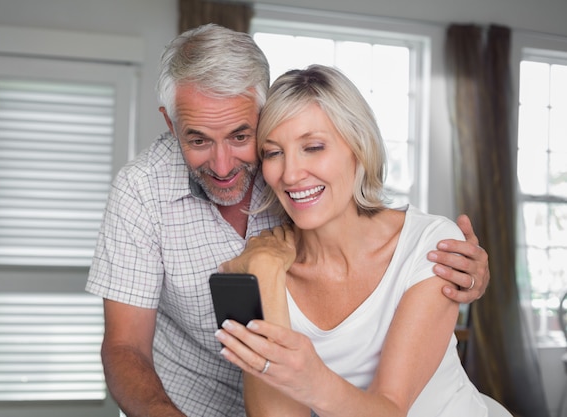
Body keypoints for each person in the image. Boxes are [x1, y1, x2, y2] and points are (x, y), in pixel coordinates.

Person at [86, 24, 490, 417]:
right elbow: (125, 347)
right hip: (189, 404)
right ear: (171, 124)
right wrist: (261, 274)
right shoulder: (142, 192)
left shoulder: (301, 185)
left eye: (242, 137)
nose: (223, 165)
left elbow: (379, 232)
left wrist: (466, 272)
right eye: (198, 139)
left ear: (263, 115)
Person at [215, 64, 503, 417]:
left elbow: (391, 409)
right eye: (273, 153)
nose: (290, 174)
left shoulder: (431, 245)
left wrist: (313, 380)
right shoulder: (260, 260)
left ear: (358, 147)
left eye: (314, 147)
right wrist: (263, 275)